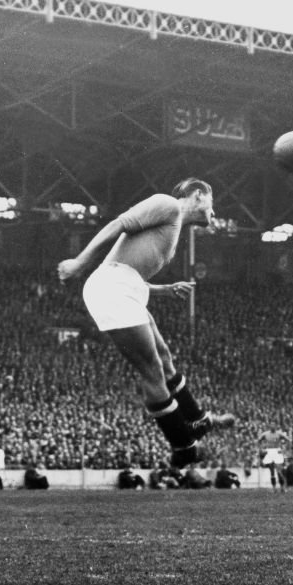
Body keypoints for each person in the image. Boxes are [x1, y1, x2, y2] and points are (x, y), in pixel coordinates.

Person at [56, 178, 235, 468]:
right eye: (213, 204)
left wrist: (163, 289)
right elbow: (118, 225)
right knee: (151, 369)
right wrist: (80, 261)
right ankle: (183, 445)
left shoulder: (174, 229)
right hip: (111, 287)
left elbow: (133, 270)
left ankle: (197, 420)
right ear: (199, 195)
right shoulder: (167, 205)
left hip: (128, 288)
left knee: (164, 359)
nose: (214, 213)